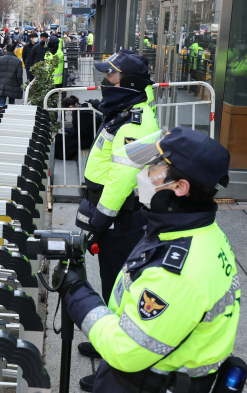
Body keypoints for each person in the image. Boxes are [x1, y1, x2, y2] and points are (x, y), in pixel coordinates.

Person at [60, 127, 239, 393]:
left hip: (145, 383)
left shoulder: (175, 272)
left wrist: (77, 295)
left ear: (179, 187)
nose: (141, 174)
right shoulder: (194, 232)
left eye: (153, 167)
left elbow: (126, 351)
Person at [73, 50, 159, 391]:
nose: (106, 81)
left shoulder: (137, 121)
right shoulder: (124, 112)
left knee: (121, 294)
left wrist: (98, 221)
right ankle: (103, 340)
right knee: (112, 287)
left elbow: (122, 181)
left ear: (130, 83)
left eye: (111, 77)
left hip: (120, 221)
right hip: (115, 218)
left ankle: (113, 371)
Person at [0, 43, 23, 109]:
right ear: (14, 50)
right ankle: (10, 116)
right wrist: (20, 85)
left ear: (6, 50)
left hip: (1, 83)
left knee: (1, 102)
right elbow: (19, 75)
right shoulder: (18, 61)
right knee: (11, 103)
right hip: (13, 84)